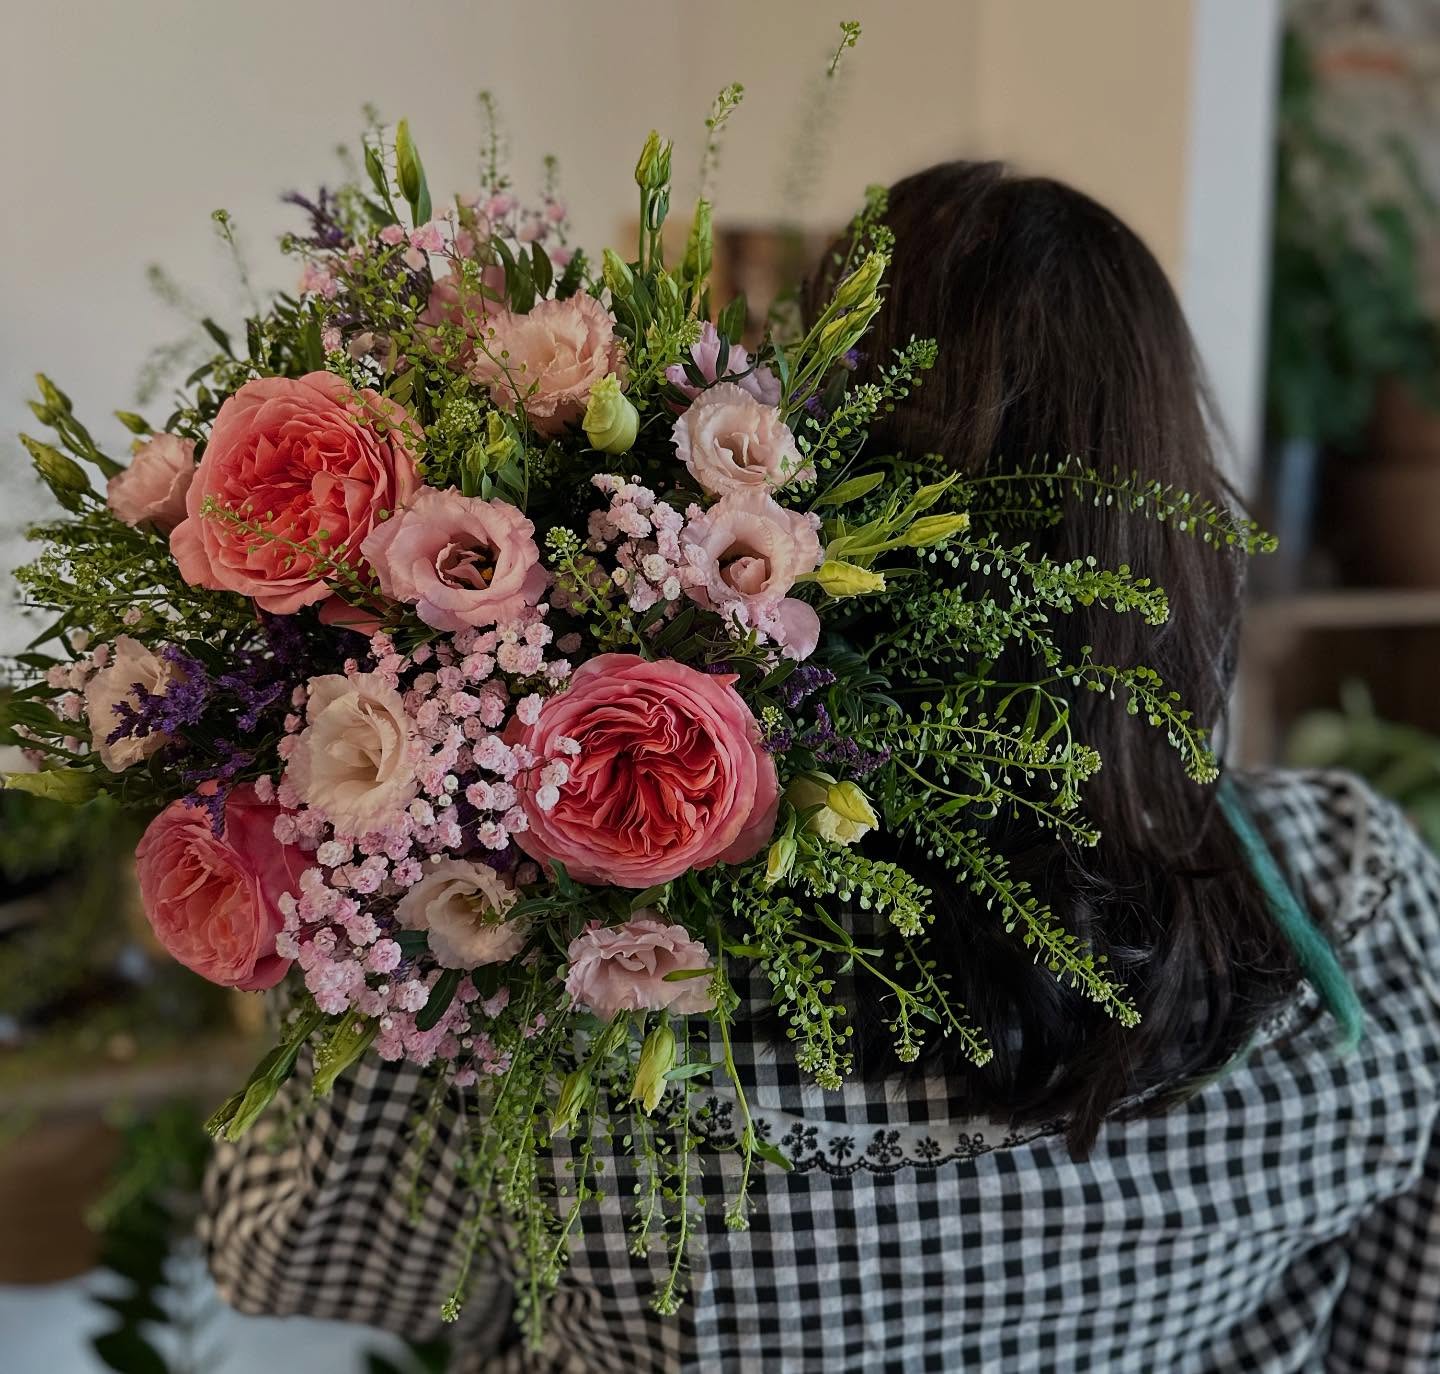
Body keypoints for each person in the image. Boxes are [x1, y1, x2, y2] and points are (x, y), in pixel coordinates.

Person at [204, 163, 1440, 1372]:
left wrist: (351, 867)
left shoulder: (617, 959)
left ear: (821, 474)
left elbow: (292, 1261)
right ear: (1177, 517)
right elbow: (1403, 1329)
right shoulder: (1362, 893)